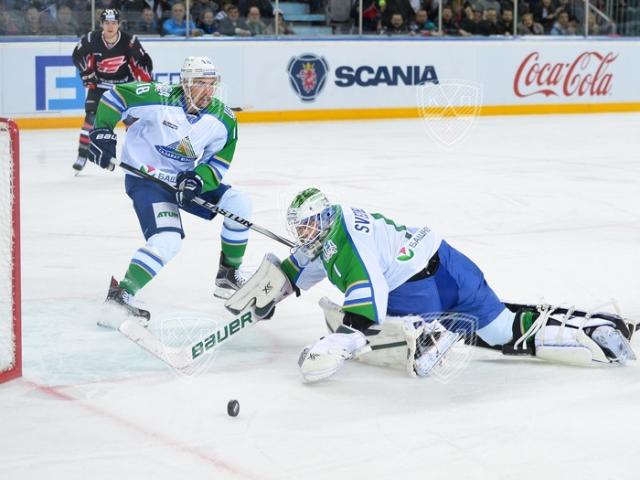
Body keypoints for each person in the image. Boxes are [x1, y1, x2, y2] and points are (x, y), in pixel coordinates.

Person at [226, 188, 636, 383]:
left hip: (423, 290)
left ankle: (428, 332)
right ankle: (592, 334)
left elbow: (364, 306)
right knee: (504, 331)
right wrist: (272, 291)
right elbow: (304, 264)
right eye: (298, 228)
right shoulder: (335, 226)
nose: (303, 234)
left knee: (362, 315)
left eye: (306, 226)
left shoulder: (347, 246)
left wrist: (330, 349)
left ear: (322, 219)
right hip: (456, 268)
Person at [87, 56, 251, 322]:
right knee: (168, 240)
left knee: (239, 203)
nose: (207, 90)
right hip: (147, 180)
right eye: (199, 83)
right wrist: (102, 131)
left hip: (182, 181)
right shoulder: (157, 96)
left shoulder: (225, 120)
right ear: (185, 83)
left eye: (211, 83)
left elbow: (217, 164)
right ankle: (122, 294)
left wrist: (197, 179)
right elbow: (115, 97)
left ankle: (228, 275)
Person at [71, 8, 153, 173]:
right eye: (107, 22)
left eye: (114, 23)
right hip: (100, 86)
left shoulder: (129, 41)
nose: (110, 26)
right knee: (90, 120)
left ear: (119, 24)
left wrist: (145, 83)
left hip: (124, 88)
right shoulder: (91, 39)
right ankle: (82, 155)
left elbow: (144, 62)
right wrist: (87, 73)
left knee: (133, 123)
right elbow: (77, 55)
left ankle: (140, 159)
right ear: (101, 24)